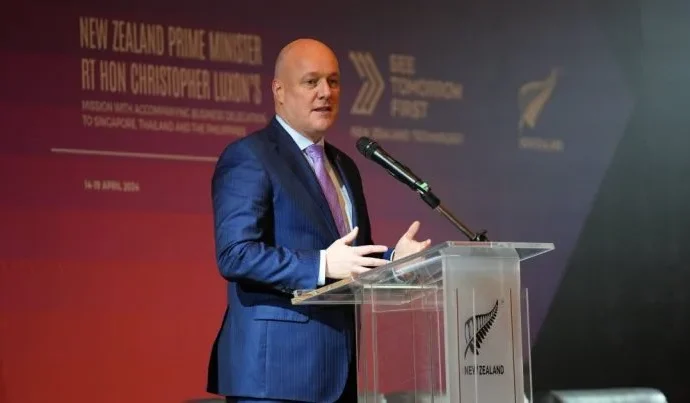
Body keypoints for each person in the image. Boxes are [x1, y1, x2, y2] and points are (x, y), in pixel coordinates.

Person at [206, 38, 431, 403]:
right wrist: (322, 264)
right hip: (274, 376)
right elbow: (235, 254)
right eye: (311, 82)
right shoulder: (250, 157)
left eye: (333, 81)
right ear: (279, 91)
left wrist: (395, 263)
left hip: (340, 374)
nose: (326, 92)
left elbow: (351, 258)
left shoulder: (345, 166)